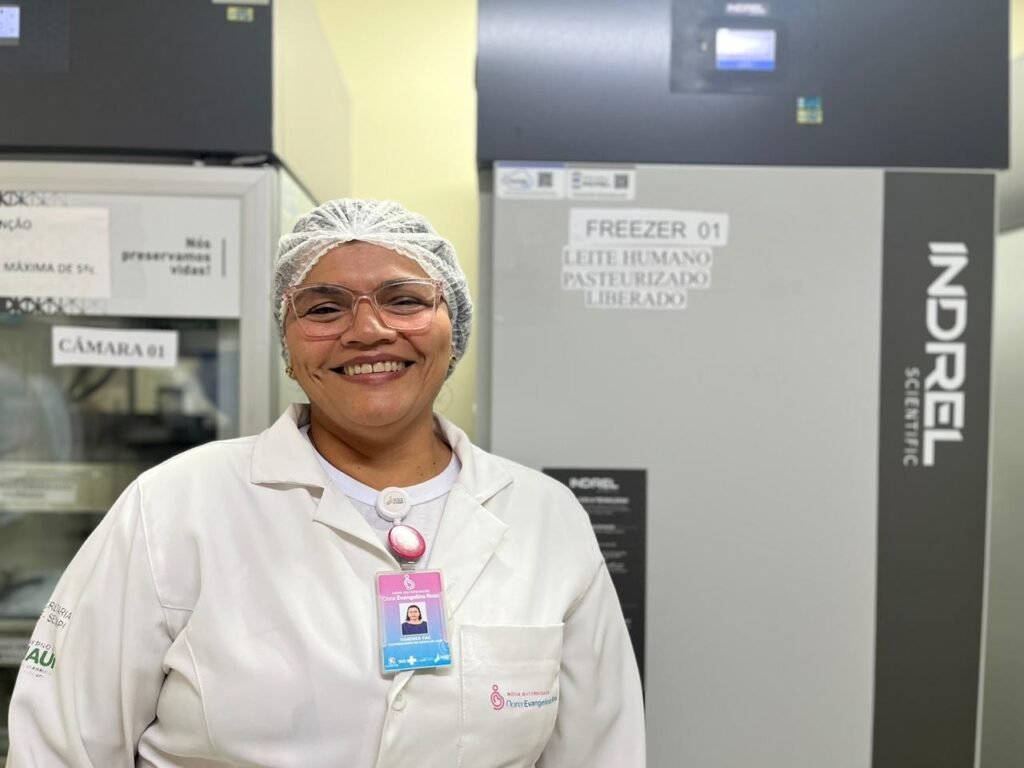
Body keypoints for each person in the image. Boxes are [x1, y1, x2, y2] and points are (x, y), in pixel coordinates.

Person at [6, 199, 645, 767]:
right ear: (288, 346)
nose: (368, 330)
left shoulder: (546, 518)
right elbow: (59, 746)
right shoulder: (173, 505)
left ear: (453, 326)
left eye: (404, 300)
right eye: (324, 307)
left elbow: (601, 752)